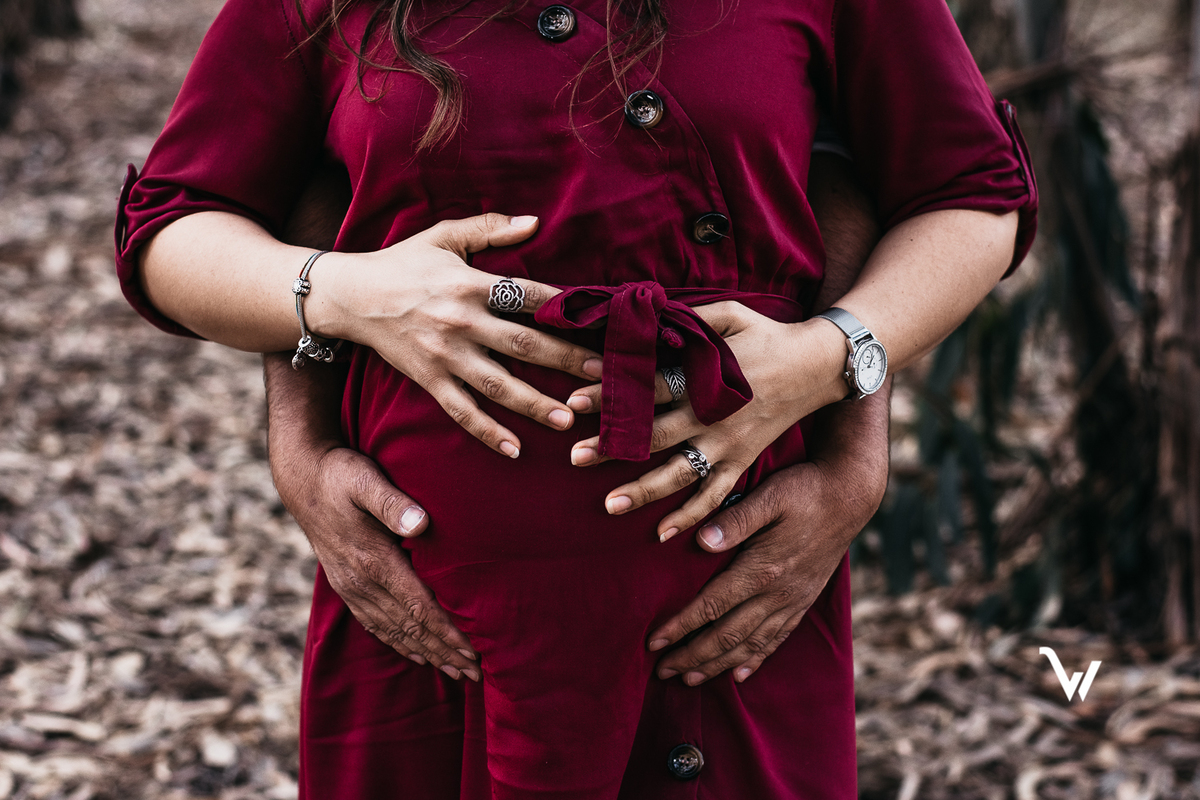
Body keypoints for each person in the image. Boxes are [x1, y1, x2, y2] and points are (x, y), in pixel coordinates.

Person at [113, 0, 1037, 797]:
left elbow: (963, 190)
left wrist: (837, 373)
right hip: (426, 632)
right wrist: (344, 304)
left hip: (732, 618)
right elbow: (177, 229)